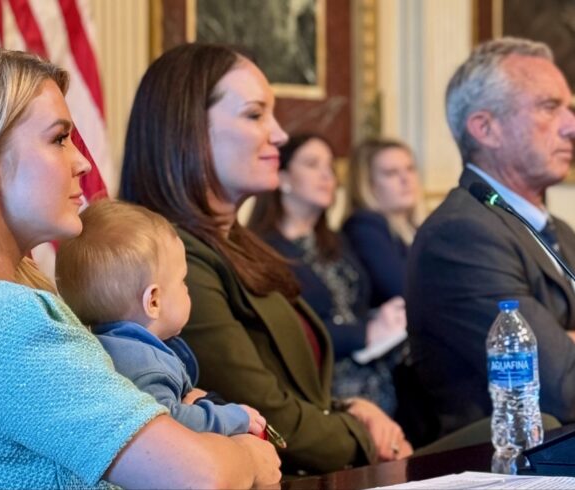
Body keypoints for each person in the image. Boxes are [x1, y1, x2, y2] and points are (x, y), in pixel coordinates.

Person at [0, 47, 280, 489]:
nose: (82, 162)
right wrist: (249, 457)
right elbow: (199, 477)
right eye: (59, 139)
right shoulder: (3, 321)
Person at [119, 43, 413, 474]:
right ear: (189, 130)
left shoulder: (238, 243)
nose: (278, 134)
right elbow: (262, 414)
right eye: (255, 115)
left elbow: (289, 384)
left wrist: (351, 407)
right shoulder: (173, 262)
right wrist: (364, 435)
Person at [406, 37, 575, 441]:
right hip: (500, 465)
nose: (571, 124)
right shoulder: (461, 235)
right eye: (549, 107)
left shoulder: (559, 231)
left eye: (568, 107)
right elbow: (563, 389)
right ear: (485, 128)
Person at [55, 199, 266, 437]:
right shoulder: (143, 366)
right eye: (182, 281)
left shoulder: (104, 349)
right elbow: (169, 427)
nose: (187, 290)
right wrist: (233, 417)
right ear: (153, 301)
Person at [248, 133, 407, 416]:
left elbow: (356, 304)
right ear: (283, 177)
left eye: (331, 166)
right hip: (321, 395)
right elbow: (282, 333)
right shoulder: (262, 249)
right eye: (312, 164)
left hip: (380, 385)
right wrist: (363, 333)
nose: (326, 175)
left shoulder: (337, 241)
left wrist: (382, 319)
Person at [343, 138, 425, 306]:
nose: (406, 179)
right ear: (368, 184)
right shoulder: (364, 227)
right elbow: (402, 289)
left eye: (410, 169)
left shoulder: (415, 227)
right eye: (391, 173)